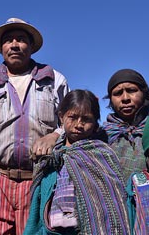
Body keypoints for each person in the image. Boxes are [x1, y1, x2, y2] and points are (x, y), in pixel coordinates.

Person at [0, 17, 70, 235]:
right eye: (8, 40)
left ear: (31, 46)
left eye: (21, 39)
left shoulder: (54, 80)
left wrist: (55, 135)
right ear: (2, 48)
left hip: (41, 179)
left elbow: (72, 122)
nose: (15, 44)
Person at [24, 89, 130, 235]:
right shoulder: (51, 155)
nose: (79, 124)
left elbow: (112, 201)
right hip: (53, 229)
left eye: (86, 119)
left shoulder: (101, 154)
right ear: (61, 117)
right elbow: (40, 199)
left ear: (95, 123)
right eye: (72, 117)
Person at [102, 68, 149, 182]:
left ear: (144, 94)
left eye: (131, 90)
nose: (125, 98)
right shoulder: (101, 136)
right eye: (118, 93)